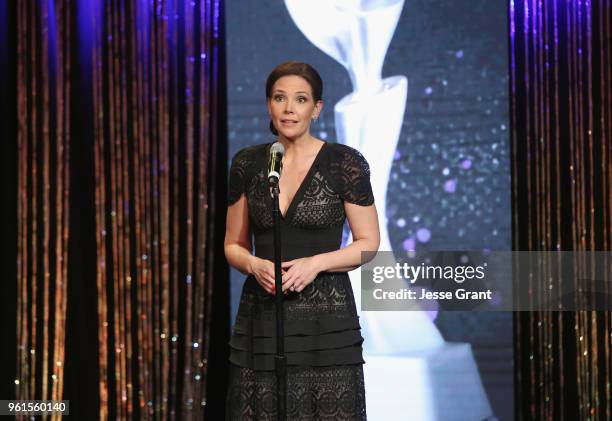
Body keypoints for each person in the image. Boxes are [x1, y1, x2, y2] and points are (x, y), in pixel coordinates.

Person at [224, 61, 380, 420]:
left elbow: (368, 242)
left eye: (300, 99)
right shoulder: (248, 163)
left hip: (326, 325)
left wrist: (316, 263)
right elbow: (233, 243)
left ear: (317, 108)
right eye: (280, 98)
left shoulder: (345, 163)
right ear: (269, 105)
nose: (289, 108)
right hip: (262, 319)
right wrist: (254, 264)